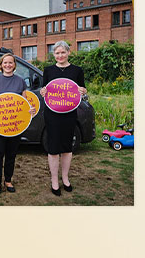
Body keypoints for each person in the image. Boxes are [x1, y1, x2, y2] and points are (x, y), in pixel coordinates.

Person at [0, 53, 36, 195]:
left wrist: (30, 109)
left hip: (15, 125)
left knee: (11, 154)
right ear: (1, 65)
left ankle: (8, 180)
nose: (8, 65)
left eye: (10, 63)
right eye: (5, 63)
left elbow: (25, 103)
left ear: (14, 65)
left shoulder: (20, 82)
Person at [40, 41, 87, 196]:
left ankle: (65, 178)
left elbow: (82, 91)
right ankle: (54, 180)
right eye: (57, 53)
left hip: (69, 114)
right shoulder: (48, 70)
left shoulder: (77, 70)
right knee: (53, 148)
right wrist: (43, 92)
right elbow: (44, 90)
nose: (60, 56)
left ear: (68, 53)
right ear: (54, 54)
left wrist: (83, 91)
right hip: (52, 114)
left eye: (63, 52)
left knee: (67, 147)